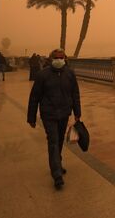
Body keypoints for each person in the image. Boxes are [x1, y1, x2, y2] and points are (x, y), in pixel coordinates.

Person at [27, 49, 81, 190]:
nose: (59, 59)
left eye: (61, 57)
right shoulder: (42, 75)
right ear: (51, 59)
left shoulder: (69, 74)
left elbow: (75, 94)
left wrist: (77, 112)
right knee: (53, 141)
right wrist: (31, 117)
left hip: (64, 113)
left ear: (65, 58)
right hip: (49, 114)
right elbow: (34, 97)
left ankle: (58, 163)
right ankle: (57, 174)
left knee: (59, 140)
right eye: (56, 57)